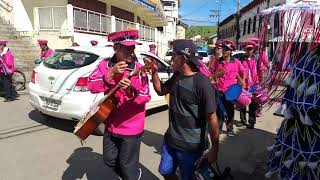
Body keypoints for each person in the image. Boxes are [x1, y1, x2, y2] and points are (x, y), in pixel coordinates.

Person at [151, 39, 220, 180]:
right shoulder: (177, 76)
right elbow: (160, 90)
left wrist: (215, 148)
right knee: (165, 171)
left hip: (191, 147)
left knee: (187, 177)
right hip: (171, 140)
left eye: (174, 55)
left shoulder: (202, 84)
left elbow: (212, 118)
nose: (171, 58)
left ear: (183, 58)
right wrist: (154, 72)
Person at [86, 29, 149, 180]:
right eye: (126, 48)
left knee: (128, 167)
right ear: (115, 48)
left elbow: (145, 97)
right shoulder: (104, 65)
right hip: (111, 124)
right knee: (109, 160)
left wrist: (129, 91)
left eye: (132, 48)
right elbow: (91, 86)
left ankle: (133, 176)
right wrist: (110, 73)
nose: (131, 52)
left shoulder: (139, 69)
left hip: (131, 128)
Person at [210, 40, 245, 136]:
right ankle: (219, 129)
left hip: (230, 91)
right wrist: (214, 77)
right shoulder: (218, 61)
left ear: (230, 51)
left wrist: (243, 81)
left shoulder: (236, 62)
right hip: (219, 90)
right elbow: (212, 73)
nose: (224, 51)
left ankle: (230, 129)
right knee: (219, 110)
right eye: (224, 49)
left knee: (230, 110)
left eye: (227, 50)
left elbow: (242, 71)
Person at [239, 41, 260, 129]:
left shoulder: (256, 59)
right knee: (243, 103)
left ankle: (252, 122)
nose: (249, 51)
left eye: (250, 49)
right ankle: (243, 120)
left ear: (253, 49)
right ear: (244, 49)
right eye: (247, 49)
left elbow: (260, 71)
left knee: (253, 104)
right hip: (244, 84)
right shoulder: (241, 59)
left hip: (254, 85)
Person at [250, 37, 270, 117]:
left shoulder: (262, 53)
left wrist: (267, 71)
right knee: (252, 93)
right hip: (252, 77)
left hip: (260, 76)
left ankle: (258, 110)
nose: (256, 47)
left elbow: (266, 64)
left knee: (259, 94)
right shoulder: (251, 54)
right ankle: (253, 108)